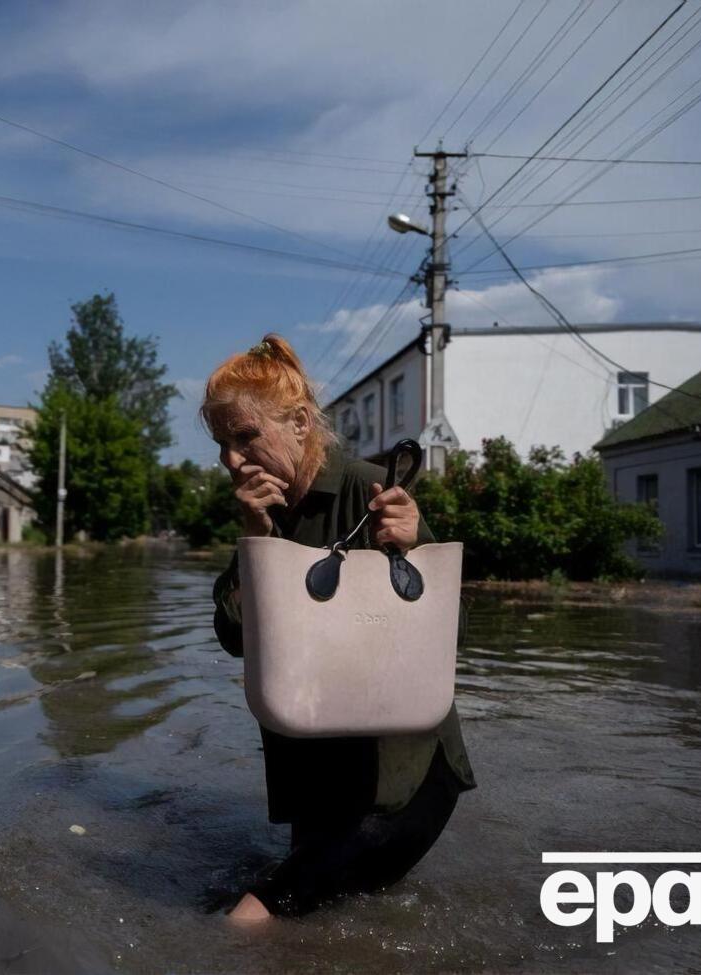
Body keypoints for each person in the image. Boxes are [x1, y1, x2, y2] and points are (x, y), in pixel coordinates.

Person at [202, 333, 476, 921]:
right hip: (318, 780)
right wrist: (255, 539)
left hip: (399, 779)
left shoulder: (370, 488)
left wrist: (412, 544)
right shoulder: (266, 512)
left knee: (250, 918)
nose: (231, 459)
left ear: (300, 422)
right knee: (323, 924)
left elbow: (453, 636)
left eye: (245, 436)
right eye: (221, 443)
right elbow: (233, 638)